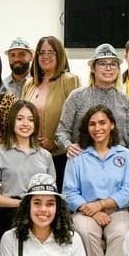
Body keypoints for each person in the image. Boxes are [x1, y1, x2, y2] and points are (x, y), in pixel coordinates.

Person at [64, 105, 129, 256]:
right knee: (85, 232)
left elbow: (128, 191)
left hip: (118, 210)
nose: (98, 128)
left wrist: (102, 205)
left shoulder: (126, 155)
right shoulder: (77, 156)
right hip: (84, 211)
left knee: (121, 234)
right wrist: (93, 211)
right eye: (92, 124)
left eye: (102, 122)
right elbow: (69, 192)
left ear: (112, 125)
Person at [0, 100, 54, 240]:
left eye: (30, 120)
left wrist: (37, 205)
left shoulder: (45, 155)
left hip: (42, 209)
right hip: (11, 209)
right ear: (12, 122)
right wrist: (21, 204)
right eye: (20, 119)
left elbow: (53, 192)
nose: (25, 124)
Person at [57, 43, 129, 154]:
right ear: (93, 68)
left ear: (118, 69)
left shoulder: (124, 99)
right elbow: (61, 132)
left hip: (118, 161)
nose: (108, 68)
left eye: (113, 64)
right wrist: (68, 146)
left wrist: (128, 159)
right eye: (102, 64)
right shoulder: (77, 96)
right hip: (83, 159)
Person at [20, 35, 79, 180]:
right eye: (41, 52)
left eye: (50, 52)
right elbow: (20, 116)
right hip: (31, 154)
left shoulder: (70, 80)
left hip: (59, 157)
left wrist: (55, 142)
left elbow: (77, 120)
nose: (45, 56)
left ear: (59, 54)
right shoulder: (29, 84)